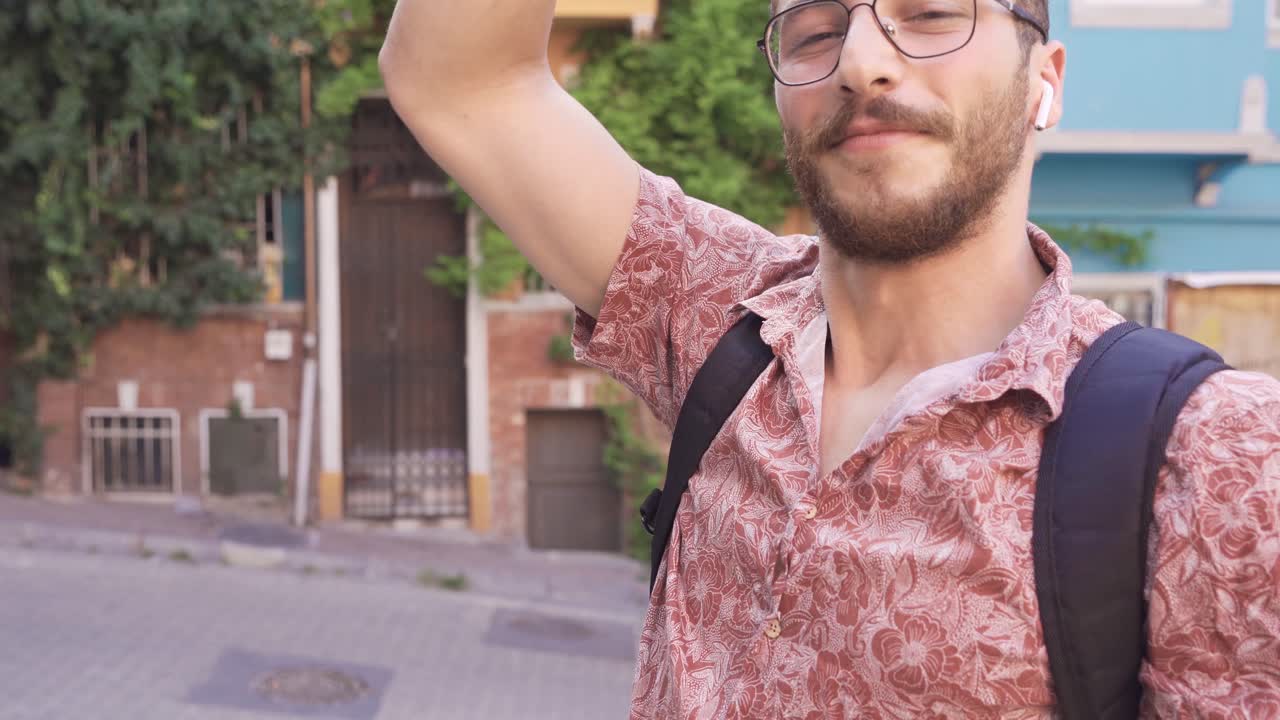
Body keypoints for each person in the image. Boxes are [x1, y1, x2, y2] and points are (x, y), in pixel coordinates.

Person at [378, 1, 1280, 716]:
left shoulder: (1216, 462)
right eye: (814, 28)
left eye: (931, 14)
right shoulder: (717, 313)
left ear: (1045, 80)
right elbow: (463, 77)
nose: (860, 62)